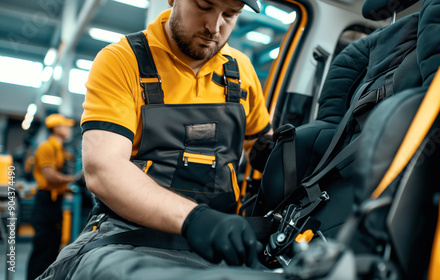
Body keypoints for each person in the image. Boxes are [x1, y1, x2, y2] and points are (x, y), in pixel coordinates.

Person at [37, 0, 276, 279]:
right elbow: (103, 169)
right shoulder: (122, 60)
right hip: (127, 237)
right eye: (204, 5)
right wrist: (194, 219)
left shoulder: (241, 70)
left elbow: (263, 148)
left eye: (230, 14)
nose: (214, 27)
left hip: (220, 241)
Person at [27, 113, 77, 280]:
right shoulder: (46, 147)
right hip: (45, 202)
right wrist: (75, 178)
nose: (68, 128)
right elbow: (50, 176)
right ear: (56, 128)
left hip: (56, 202)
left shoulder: (62, 150)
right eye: (65, 125)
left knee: (53, 246)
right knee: (43, 247)